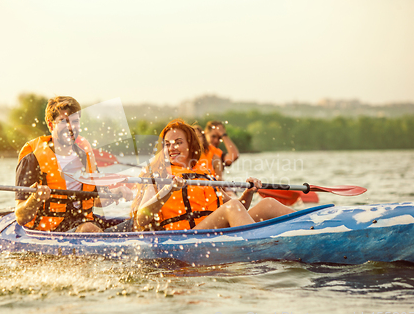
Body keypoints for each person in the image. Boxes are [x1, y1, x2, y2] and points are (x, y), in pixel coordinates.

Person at [131, 119, 294, 231]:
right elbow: (141, 219)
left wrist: (248, 193)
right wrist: (168, 189)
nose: (172, 147)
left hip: (214, 229)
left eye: (178, 142)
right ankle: (262, 246)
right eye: (167, 144)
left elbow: (240, 208)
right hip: (188, 236)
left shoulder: (203, 174)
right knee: (231, 207)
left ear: (190, 145)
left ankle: (313, 226)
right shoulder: (157, 175)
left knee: (268, 203)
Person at [15, 96, 132, 233]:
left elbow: (97, 200)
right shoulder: (32, 159)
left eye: (75, 121)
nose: (71, 127)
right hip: (50, 230)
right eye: (64, 121)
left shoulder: (85, 156)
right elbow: (20, 217)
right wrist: (35, 199)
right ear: (51, 124)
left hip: (83, 222)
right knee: (88, 228)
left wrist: (114, 193)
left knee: (135, 222)